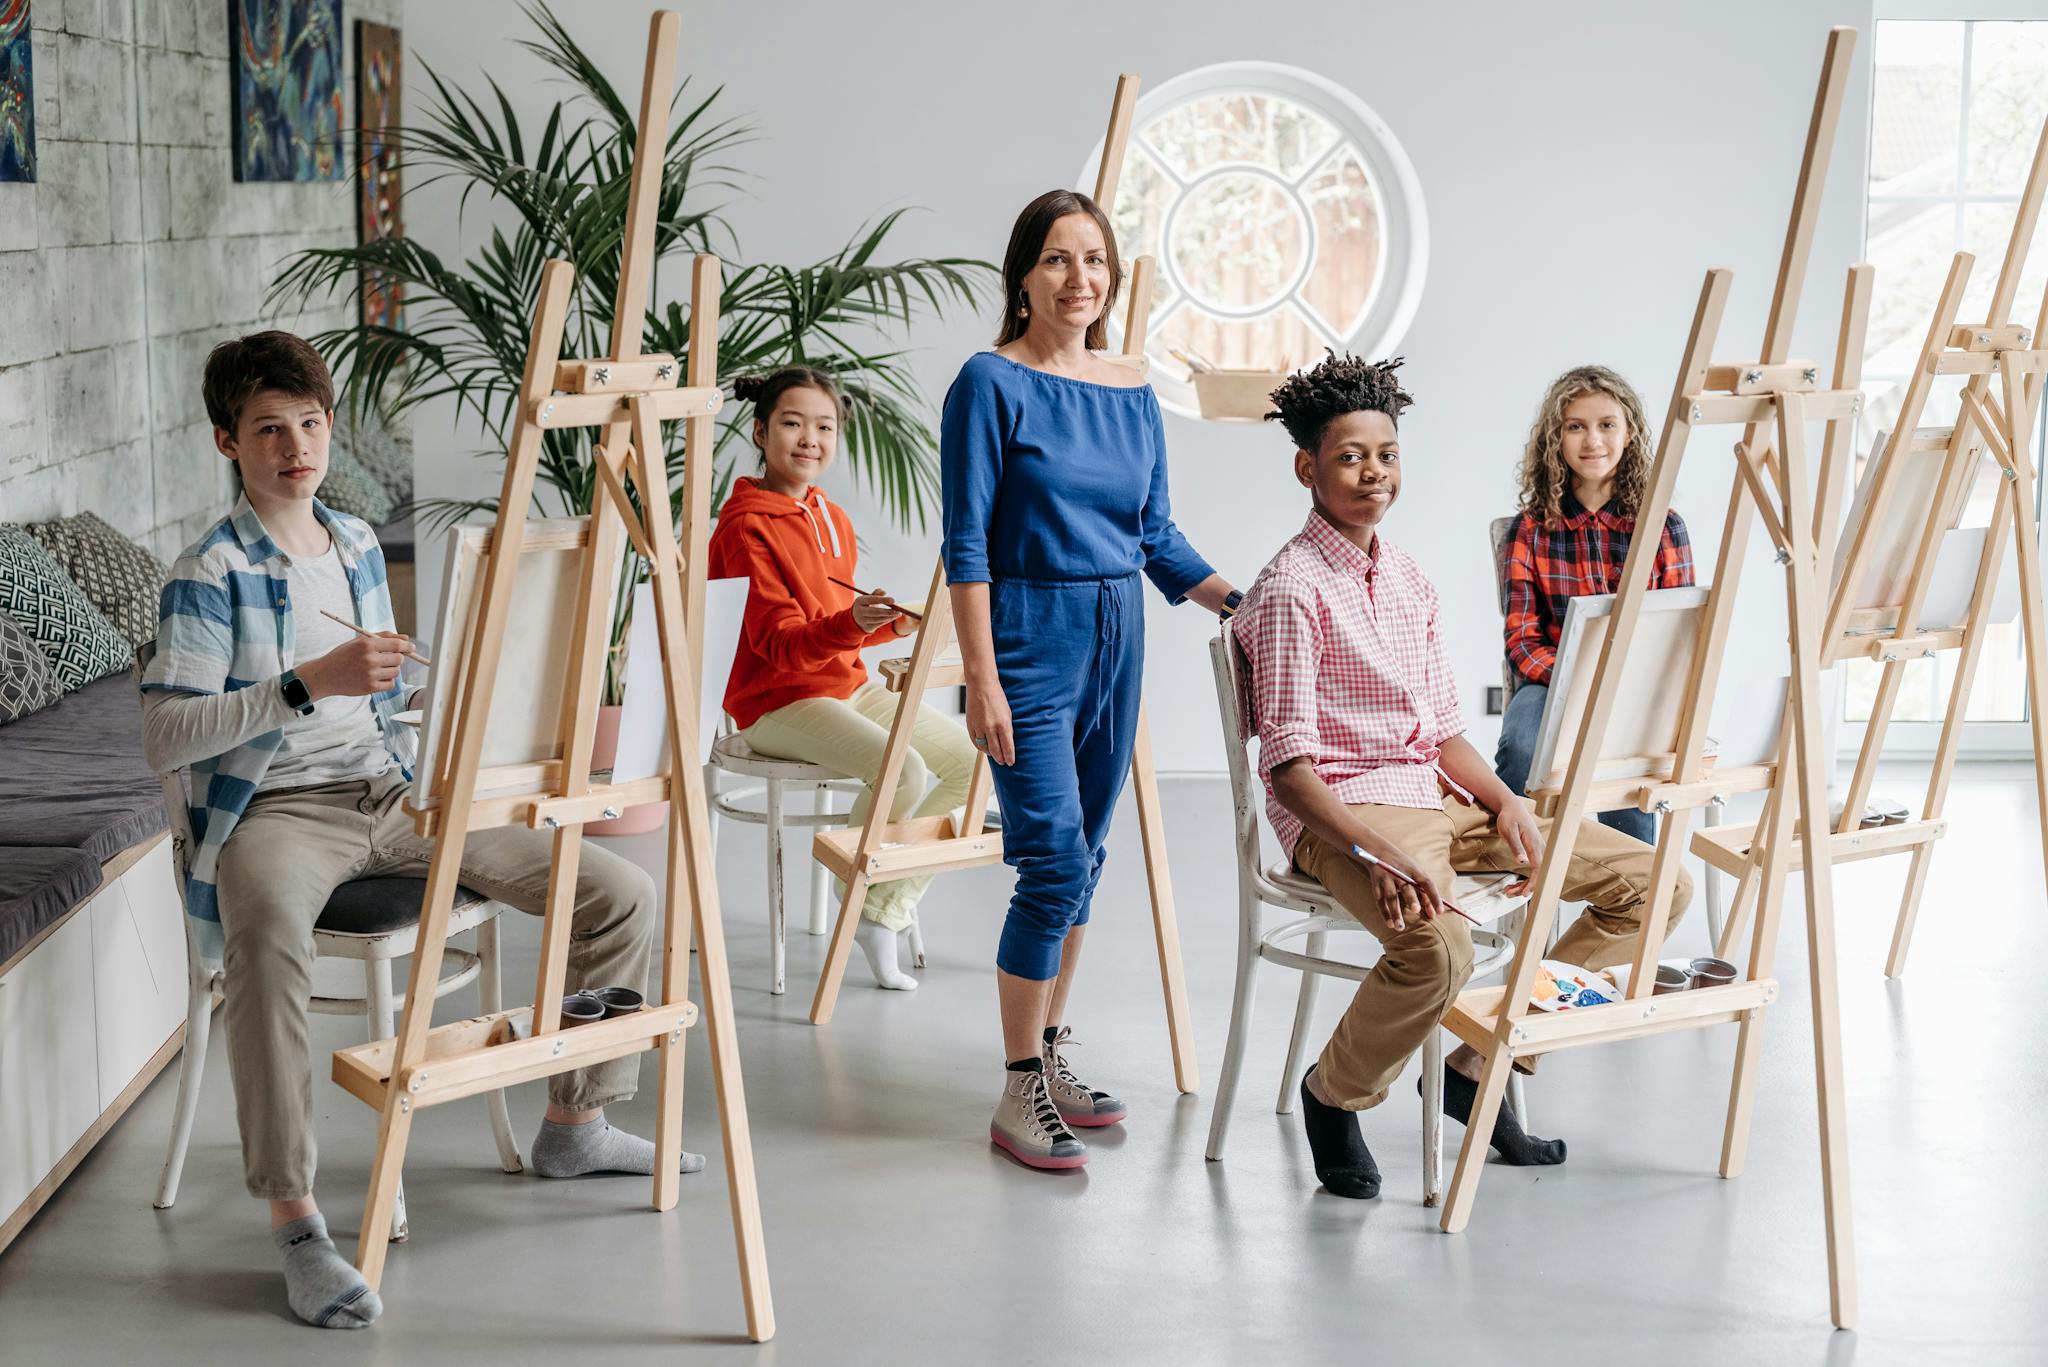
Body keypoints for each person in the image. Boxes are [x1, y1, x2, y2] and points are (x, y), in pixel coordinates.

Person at [140, 332, 695, 1330]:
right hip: (277, 811)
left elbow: (382, 679)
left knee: (619, 891)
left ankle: (575, 1119)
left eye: (310, 423)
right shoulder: (208, 570)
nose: (295, 446)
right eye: (268, 429)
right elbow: (165, 733)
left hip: (394, 793)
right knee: (264, 933)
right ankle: (297, 1222)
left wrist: (432, 689)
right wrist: (307, 684)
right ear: (228, 441)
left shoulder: (356, 541)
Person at [1231, 351, 1690, 1200]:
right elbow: (1289, 771)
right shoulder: (1291, 589)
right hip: (1350, 812)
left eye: (1387, 454)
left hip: (1437, 798)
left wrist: (1506, 800)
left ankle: (1478, 1063)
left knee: (1656, 883)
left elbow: (1443, 731)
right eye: (1350, 457)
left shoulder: (1408, 577)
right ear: (1307, 468)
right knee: (1438, 949)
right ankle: (1333, 1092)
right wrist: (1371, 851)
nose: (1374, 472)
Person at [941, 189, 1237, 1171]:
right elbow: (966, 543)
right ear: (1023, 276)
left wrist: (1240, 603)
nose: (1081, 278)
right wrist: (981, 678)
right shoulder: (989, 382)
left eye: (1096, 259)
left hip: (1118, 635)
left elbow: (1154, 534)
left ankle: (1050, 1048)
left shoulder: (1131, 389)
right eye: (1059, 259)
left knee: (1090, 858)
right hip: (1028, 637)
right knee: (1053, 862)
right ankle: (1018, 1083)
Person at [706, 366, 978, 990]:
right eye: (792, 423)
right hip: (776, 701)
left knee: (973, 763)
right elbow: (780, 648)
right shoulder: (746, 527)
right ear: (760, 432)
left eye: (824, 427)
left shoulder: (831, 516)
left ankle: (881, 906)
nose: (810, 439)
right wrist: (851, 624)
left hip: (843, 685)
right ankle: (857, 892)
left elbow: (835, 628)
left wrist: (890, 624)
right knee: (903, 770)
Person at [1494, 365, 1694, 842]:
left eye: (1606, 425)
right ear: (1555, 439)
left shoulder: (1662, 525)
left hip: (1635, 686)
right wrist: (1576, 681)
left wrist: (1622, 686)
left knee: (1626, 775)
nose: (1592, 440)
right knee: (1521, 748)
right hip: (1551, 682)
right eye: (1575, 426)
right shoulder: (1529, 530)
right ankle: (1519, 862)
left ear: (1629, 433)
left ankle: (1628, 876)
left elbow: (1679, 635)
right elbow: (1522, 638)